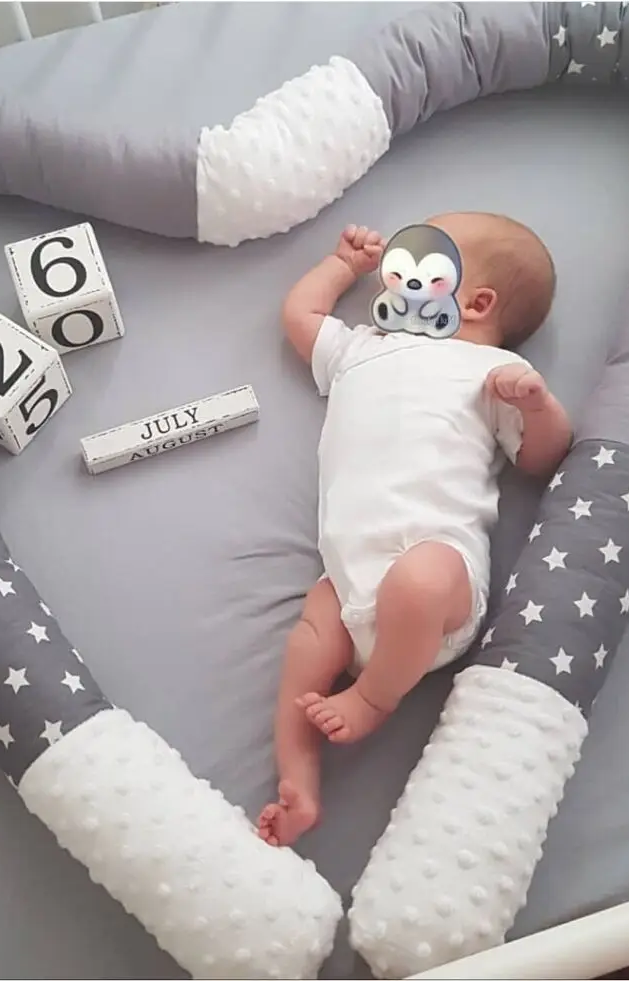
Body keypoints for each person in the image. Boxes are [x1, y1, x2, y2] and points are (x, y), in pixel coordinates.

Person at [257, 213, 572, 848]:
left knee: (420, 579)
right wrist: (341, 267)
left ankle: (374, 699)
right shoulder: (363, 346)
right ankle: (299, 779)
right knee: (311, 637)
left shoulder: (489, 369)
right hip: (348, 580)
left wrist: (537, 404)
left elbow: (544, 458)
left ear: (476, 301)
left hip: (440, 577)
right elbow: (302, 319)